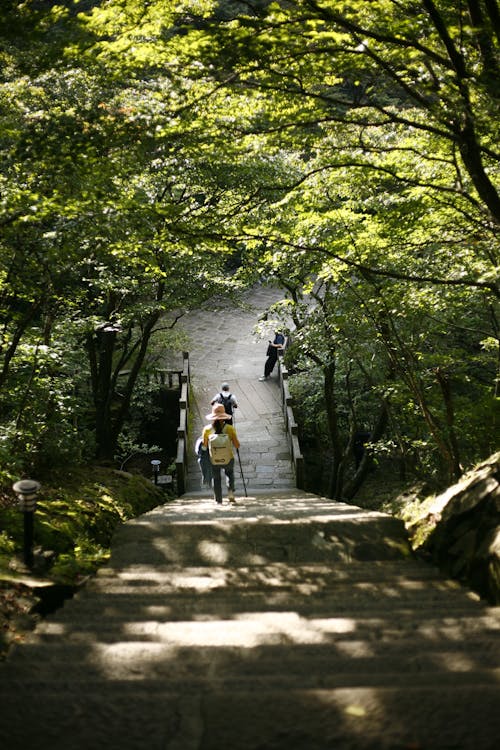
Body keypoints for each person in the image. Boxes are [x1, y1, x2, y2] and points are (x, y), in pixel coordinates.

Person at [202, 403, 240, 504]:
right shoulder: (230, 429)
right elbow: (237, 445)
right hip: (228, 457)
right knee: (229, 474)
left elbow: (204, 446)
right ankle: (231, 492)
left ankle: (218, 499)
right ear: (224, 417)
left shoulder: (207, 430)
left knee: (216, 478)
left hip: (213, 459)